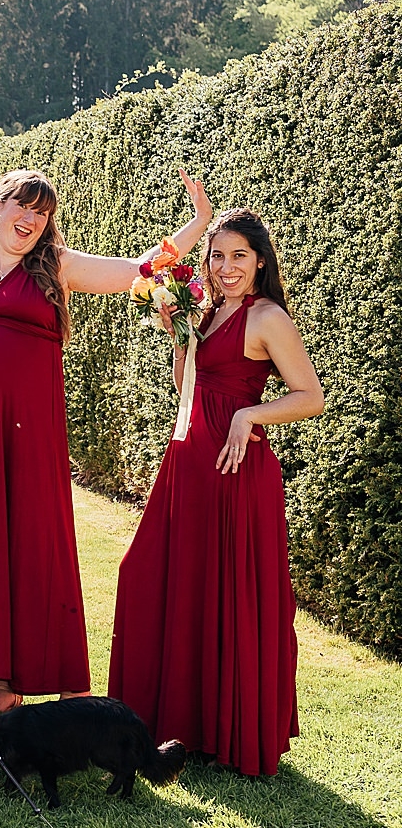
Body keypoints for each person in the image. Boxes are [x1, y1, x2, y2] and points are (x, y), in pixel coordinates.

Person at [0, 167, 211, 719]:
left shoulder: (56, 265)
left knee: (35, 540)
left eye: (42, 212)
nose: (30, 219)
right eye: (22, 205)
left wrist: (197, 222)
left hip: (27, 430)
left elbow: (141, 269)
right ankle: (4, 685)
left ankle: (65, 680)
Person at [110, 209, 322, 776]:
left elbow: (310, 396)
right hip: (188, 465)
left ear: (260, 262)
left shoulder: (267, 316)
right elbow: (188, 386)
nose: (226, 267)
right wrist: (178, 335)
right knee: (157, 578)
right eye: (217, 256)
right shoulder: (207, 310)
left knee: (227, 596)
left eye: (239, 256)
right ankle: (175, 721)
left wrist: (249, 414)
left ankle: (225, 732)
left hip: (235, 472)